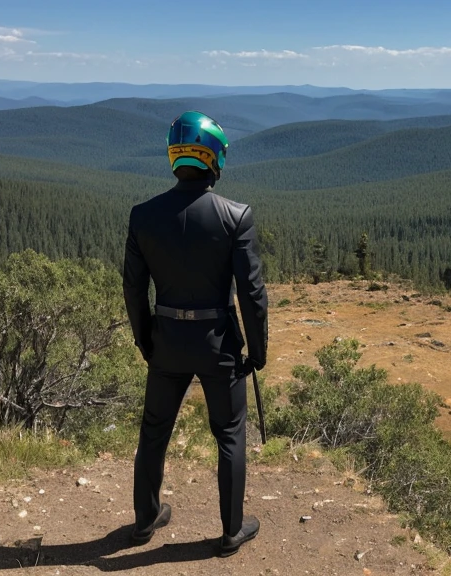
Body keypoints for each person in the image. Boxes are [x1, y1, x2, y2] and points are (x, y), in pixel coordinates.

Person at [122, 110, 268, 557]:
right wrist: (257, 353)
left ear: (175, 156)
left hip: (166, 340)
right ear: (214, 158)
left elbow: (133, 286)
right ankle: (231, 530)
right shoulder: (235, 216)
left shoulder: (142, 215)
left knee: (153, 431)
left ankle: (146, 520)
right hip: (218, 345)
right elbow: (252, 293)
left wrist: (145, 339)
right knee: (229, 433)